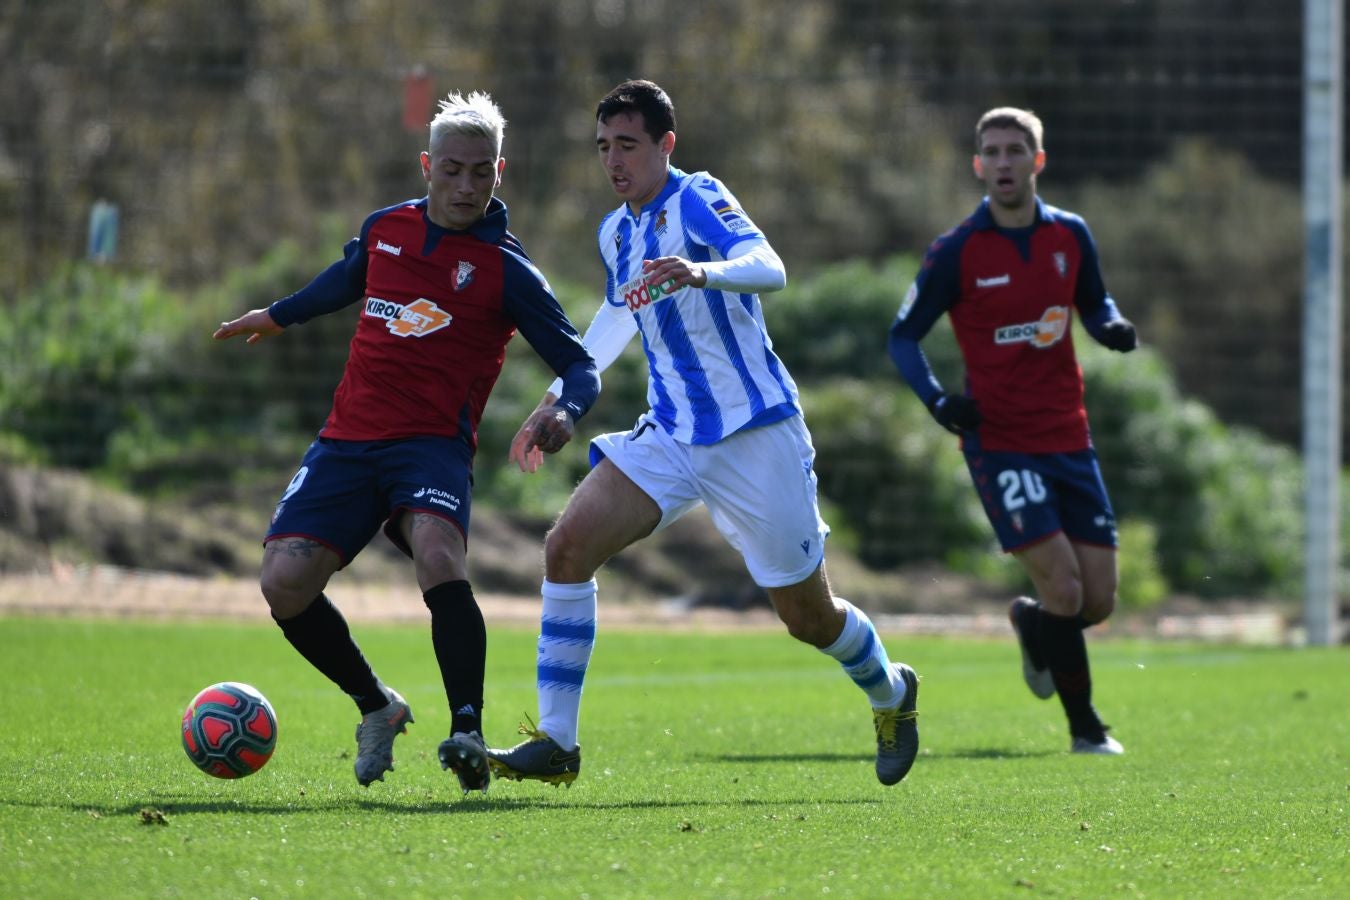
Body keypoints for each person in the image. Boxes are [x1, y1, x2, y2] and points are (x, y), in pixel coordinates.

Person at [486, 79, 919, 788]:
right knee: (566, 548)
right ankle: (557, 742)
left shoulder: (697, 197)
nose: (614, 160)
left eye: (628, 145)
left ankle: (891, 691)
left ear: (666, 145)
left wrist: (700, 271)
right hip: (672, 433)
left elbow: (769, 267)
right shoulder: (616, 232)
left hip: (754, 431)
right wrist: (558, 399)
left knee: (808, 618)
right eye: (604, 147)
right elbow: (618, 315)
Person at [212, 91, 599, 794]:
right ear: (427, 165)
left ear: (499, 172)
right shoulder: (386, 229)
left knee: (439, 555)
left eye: (480, 172)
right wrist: (278, 315)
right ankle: (377, 706)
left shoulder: (507, 270)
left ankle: (467, 730)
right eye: (452, 170)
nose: (466, 186)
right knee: (283, 585)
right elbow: (347, 279)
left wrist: (567, 411)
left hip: (431, 446)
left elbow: (580, 365)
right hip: (348, 438)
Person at [888, 107, 1138, 755]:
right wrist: (939, 402)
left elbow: (1094, 300)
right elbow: (903, 336)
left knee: (1098, 601)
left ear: (1037, 161)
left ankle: (1032, 625)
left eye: (1015, 151)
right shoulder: (957, 250)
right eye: (992, 153)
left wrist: (1109, 326)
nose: (1003, 163)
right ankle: (1087, 730)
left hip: (1069, 434)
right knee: (1064, 586)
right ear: (979, 166)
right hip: (1000, 442)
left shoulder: (1070, 235)